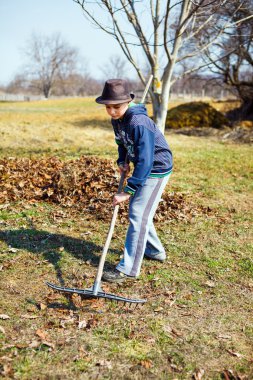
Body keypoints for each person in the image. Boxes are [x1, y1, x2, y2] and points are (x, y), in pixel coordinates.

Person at [95, 79, 173, 283]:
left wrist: (127, 191)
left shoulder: (139, 123)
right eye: (108, 107)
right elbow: (121, 142)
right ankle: (155, 251)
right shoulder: (118, 120)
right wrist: (122, 160)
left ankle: (128, 269)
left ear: (128, 102)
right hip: (142, 166)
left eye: (116, 107)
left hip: (155, 169)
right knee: (140, 213)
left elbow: (146, 160)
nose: (112, 111)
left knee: (138, 214)